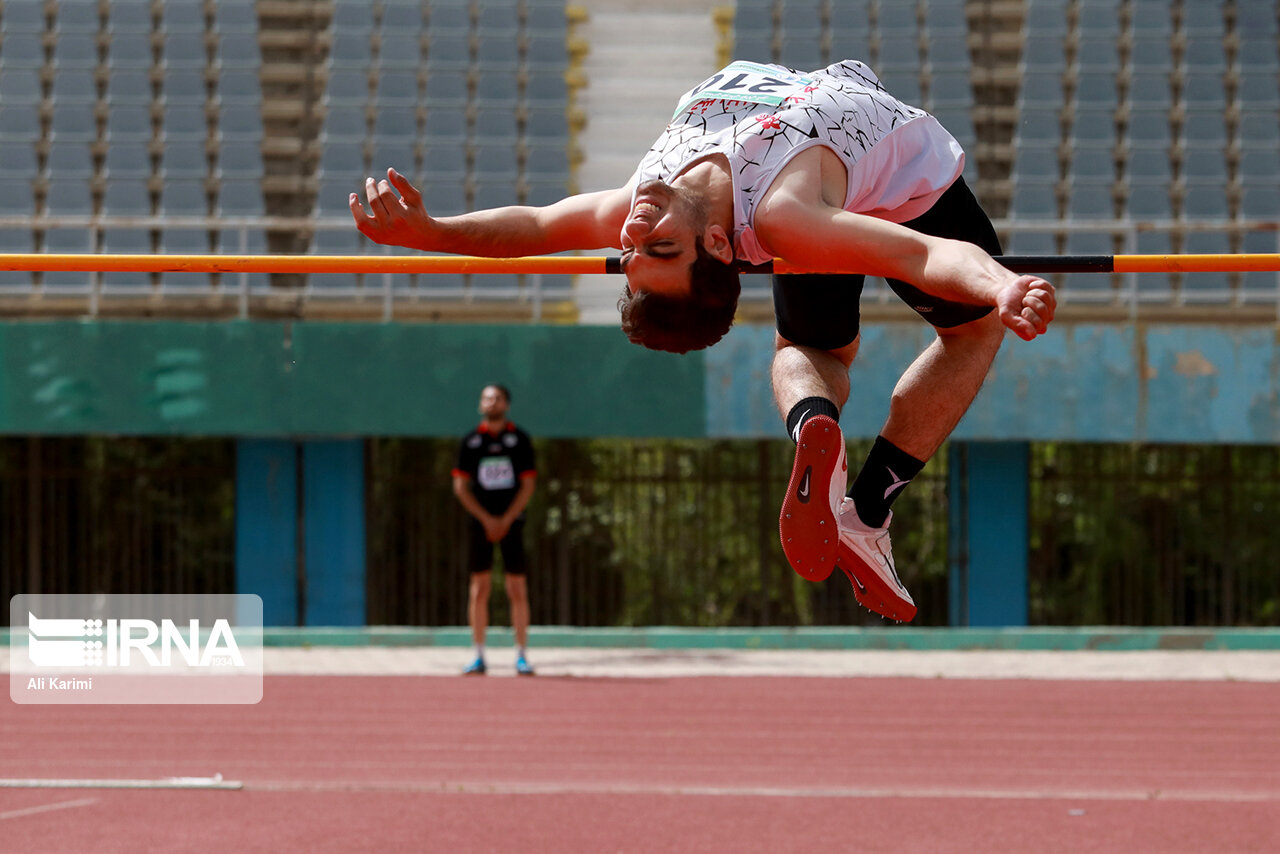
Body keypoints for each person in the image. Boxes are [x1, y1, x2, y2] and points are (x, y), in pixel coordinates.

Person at [353, 59, 1057, 622]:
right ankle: (867, 507)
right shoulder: (782, 220)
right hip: (901, 190)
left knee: (809, 353)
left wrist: (433, 233)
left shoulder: (646, 200)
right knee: (972, 332)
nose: (632, 232)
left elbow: (536, 230)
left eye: (632, 252)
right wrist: (999, 286)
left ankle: (821, 434)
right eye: (657, 247)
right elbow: (920, 256)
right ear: (717, 243)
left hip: (829, 160)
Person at [451, 384, 538, 674]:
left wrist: (506, 519)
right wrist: (487, 519)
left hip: (512, 522)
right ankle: (477, 654)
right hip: (481, 523)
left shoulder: (520, 439)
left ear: (507, 404)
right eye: (487, 398)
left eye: (497, 398)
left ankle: (522, 654)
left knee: (516, 588)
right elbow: (460, 487)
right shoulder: (471, 442)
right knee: (479, 588)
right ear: (481, 404)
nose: (492, 402)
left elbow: (527, 485)